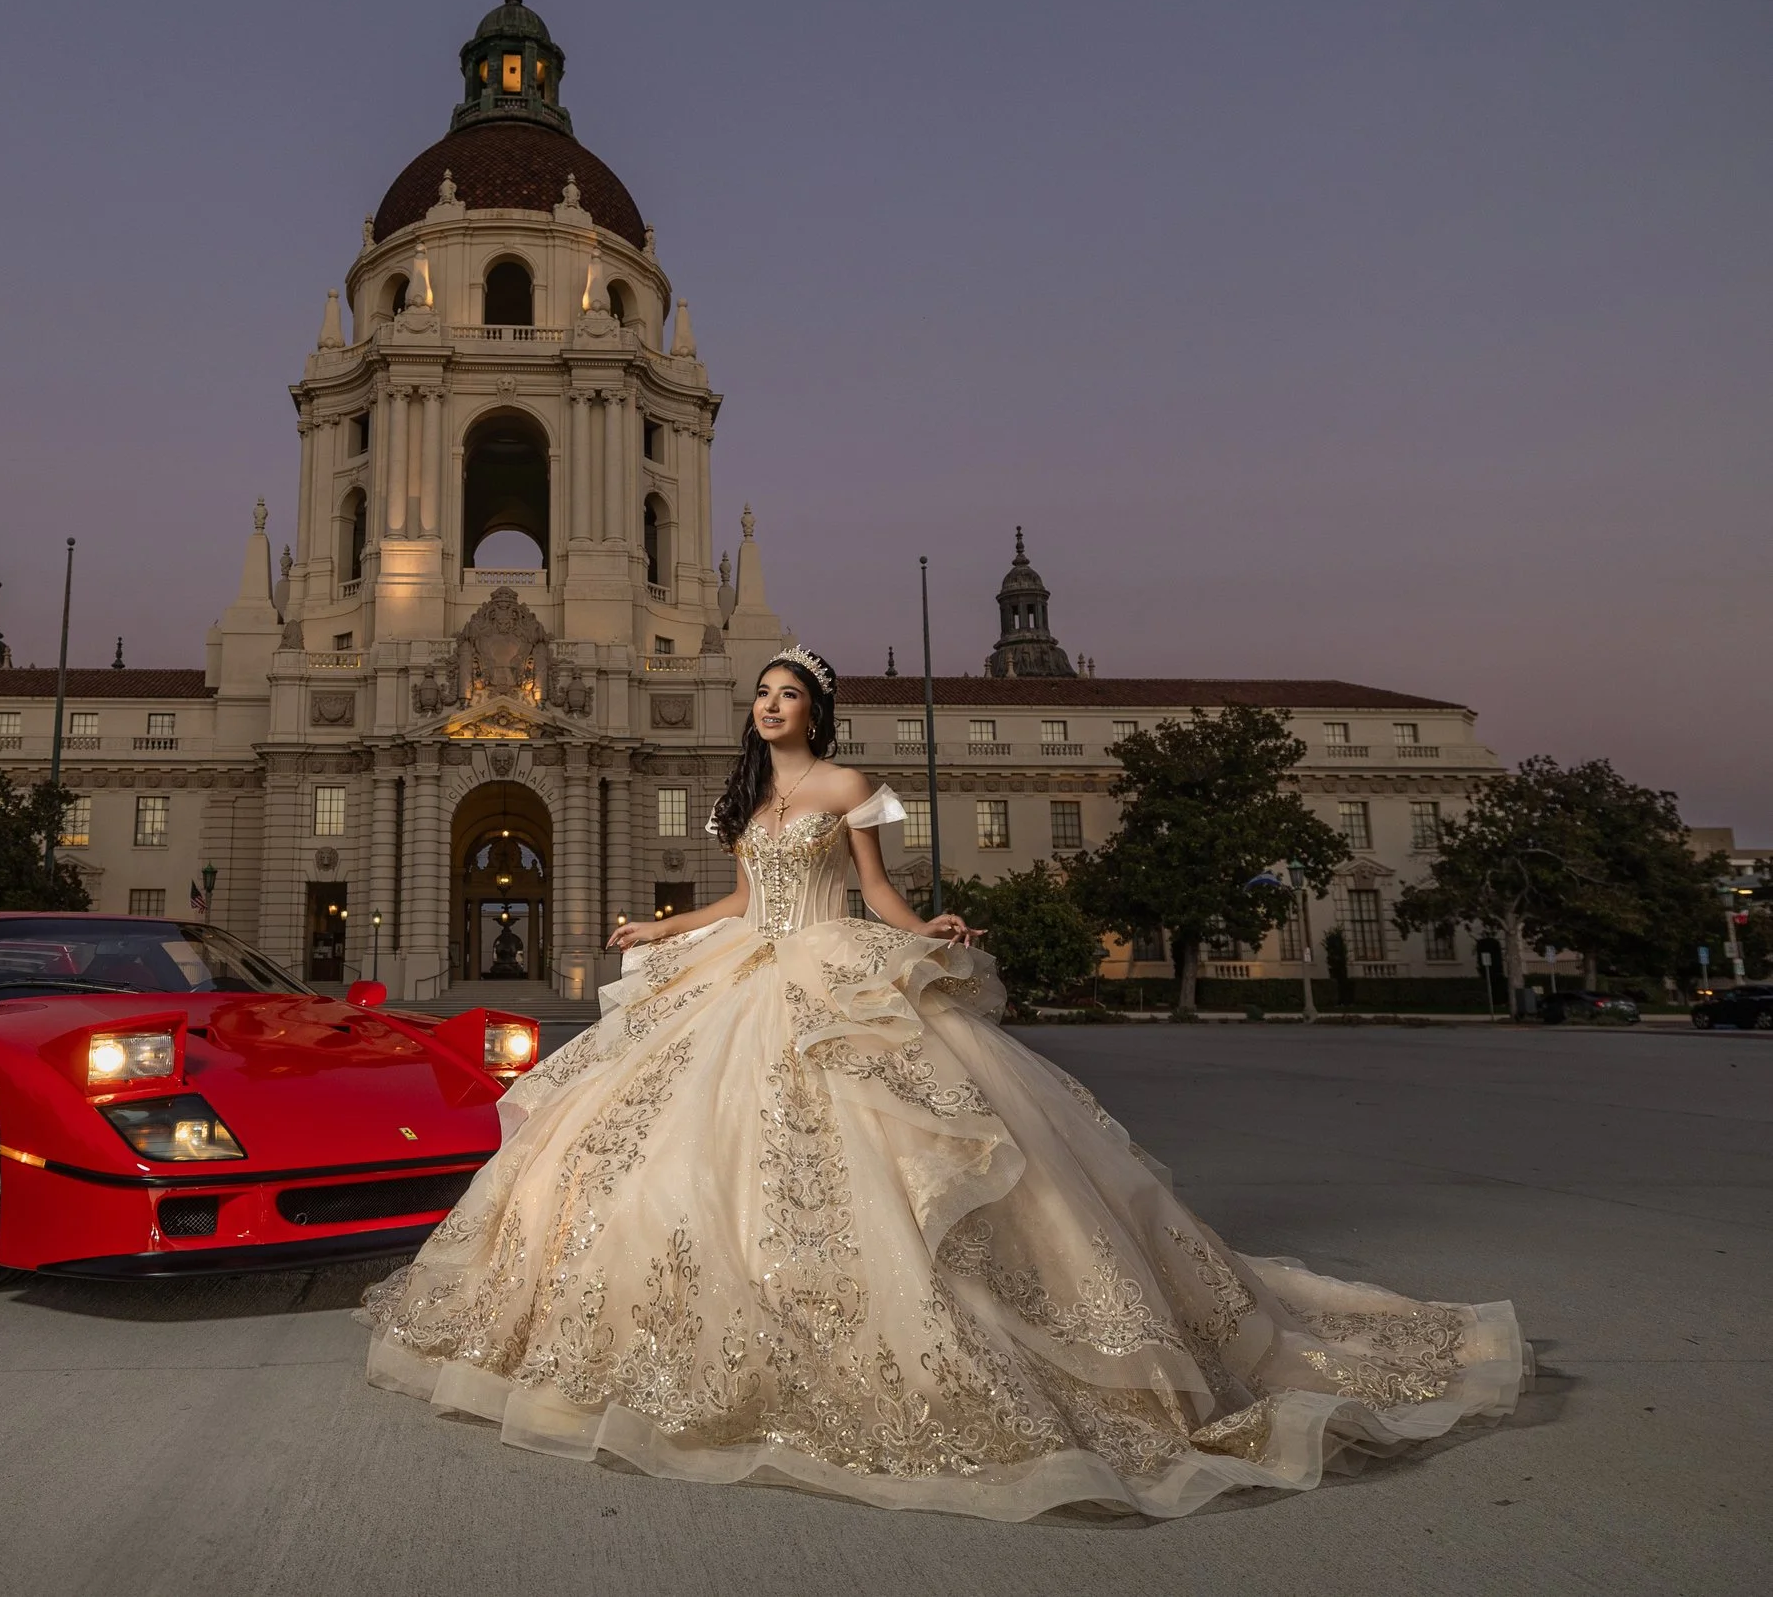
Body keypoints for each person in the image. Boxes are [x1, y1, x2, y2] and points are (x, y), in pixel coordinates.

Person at [361, 647, 1526, 1520]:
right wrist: (655, 924)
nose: (771, 706)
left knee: (894, 1151)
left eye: (788, 693)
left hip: (827, 972)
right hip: (737, 971)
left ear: (818, 707)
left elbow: (874, 888)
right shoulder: (751, 804)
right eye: (761, 695)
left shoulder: (855, 782)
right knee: (647, 1153)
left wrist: (929, 926)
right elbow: (738, 901)